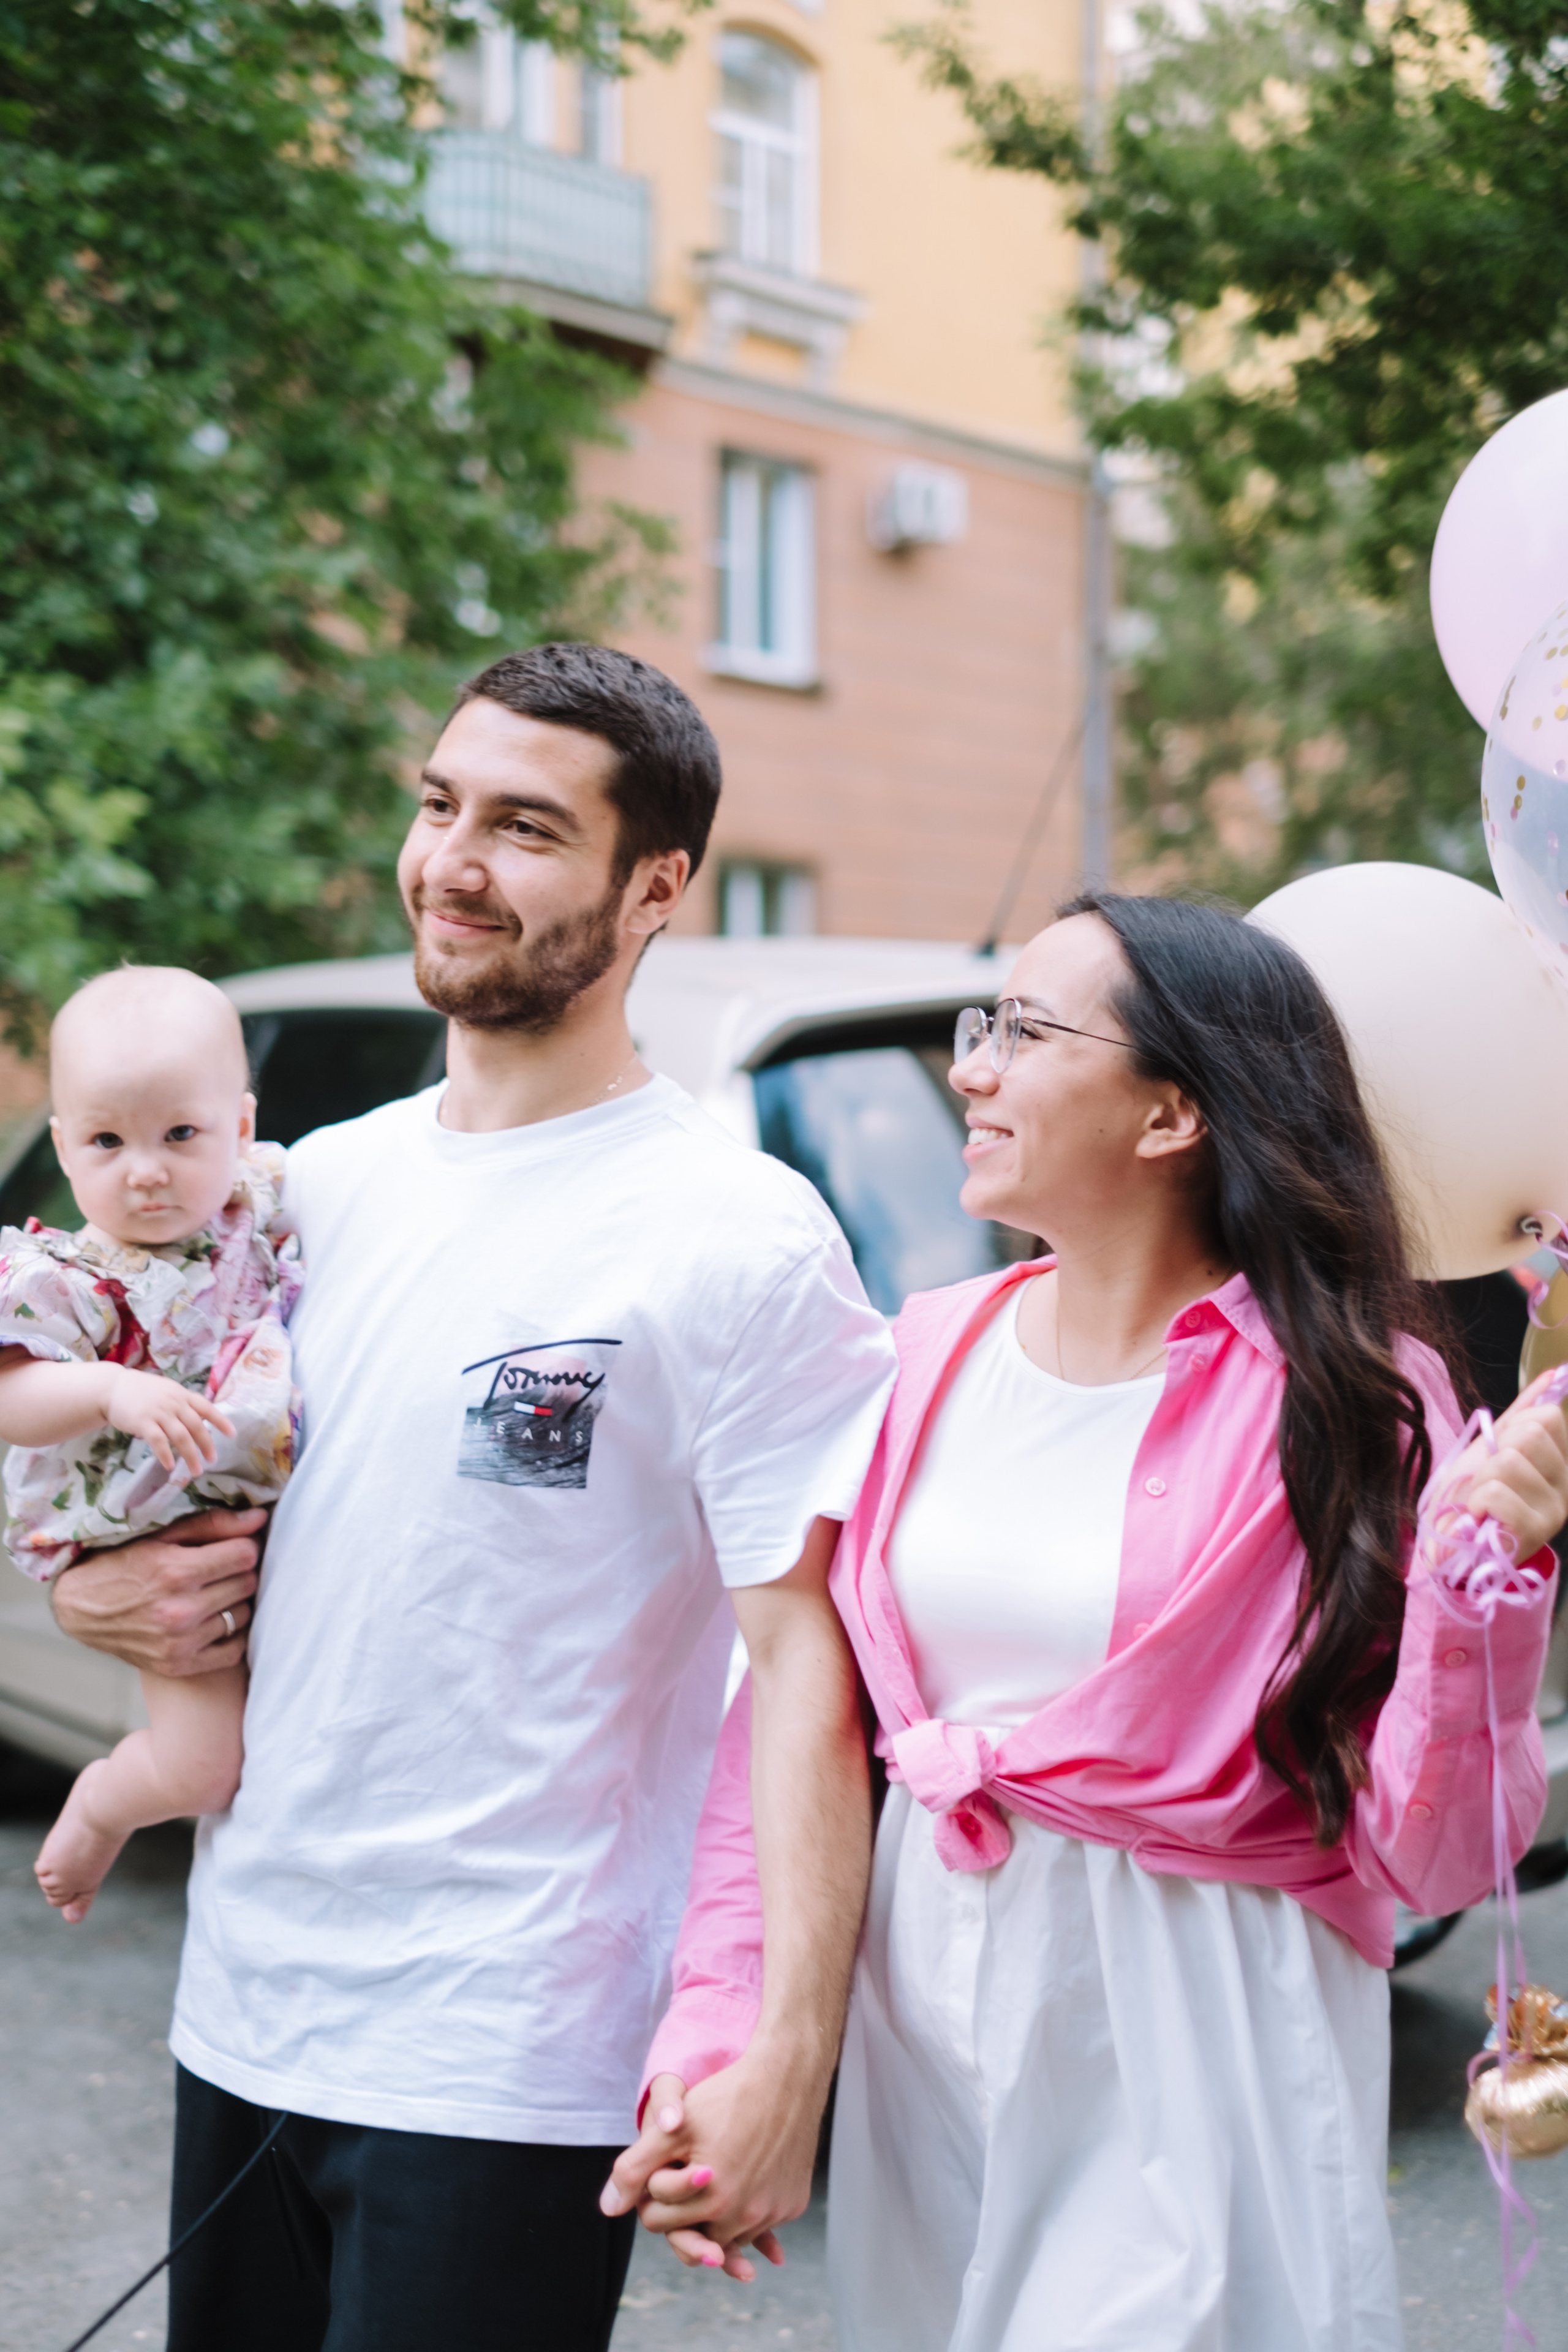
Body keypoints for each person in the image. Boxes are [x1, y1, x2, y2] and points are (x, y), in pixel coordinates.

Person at [47, 644, 897, 2352]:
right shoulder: (297, 1194)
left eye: (523, 826)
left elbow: (813, 1666)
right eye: (442, 805)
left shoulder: (737, 1235)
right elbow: (176, 1498)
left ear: (655, 886)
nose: (452, 861)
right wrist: (95, 1598)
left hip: (511, 2051)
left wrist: (787, 2050)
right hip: (248, 2003)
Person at [609, 893, 1568, 2352]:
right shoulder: (920, 1353)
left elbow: (1434, 1850)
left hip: (1194, 2051)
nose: (968, 1068)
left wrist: (1476, 1590)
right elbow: (793, 1729)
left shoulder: (1352, 1405)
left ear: (1171, 1111)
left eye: (1022, 1030)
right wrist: (723, 2037)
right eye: (978, 1025)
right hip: (922, 2044)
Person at [1, 967, 297, 1921]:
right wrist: (111, 1388)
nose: (145, 1169)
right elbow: (10, 1398)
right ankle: (100, 1806)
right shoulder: (64, 1279)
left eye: (180, 1134)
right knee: (204, 1767)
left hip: (266, 1525)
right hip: (152, 1533)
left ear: (240, 1127)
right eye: (107, 1140)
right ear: (63, 1146)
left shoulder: (262, 1209)